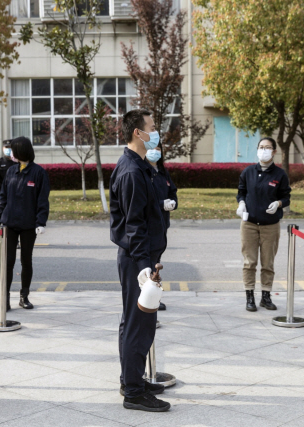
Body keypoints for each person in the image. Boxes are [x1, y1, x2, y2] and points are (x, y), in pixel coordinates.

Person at [110, 109, 170, 412]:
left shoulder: (141, 166)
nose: (155, 131)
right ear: (138, 132)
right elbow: (134, 225)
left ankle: (130, 378)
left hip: (142, 256)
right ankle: (133, 393)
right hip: (138, 260)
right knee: (139, 325)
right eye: (151, 126)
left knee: (136, 323)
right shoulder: (132, 171)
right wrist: (145, 266)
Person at [0, 137, 50, 311]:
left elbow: (42, 199)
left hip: (28, 224)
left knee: (26, 261)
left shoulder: (38, 173)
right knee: (7, 262)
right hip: (9, 223)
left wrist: (41, 221)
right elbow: (3, 197)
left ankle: (24, 296)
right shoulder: (11, 171)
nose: (10, 153)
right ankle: (5, 299)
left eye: (13, 150)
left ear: (21, 151)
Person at [236, 137, 291, 312]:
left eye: (268, 147)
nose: (264, 150)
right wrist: (241, 203)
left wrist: (279, 204)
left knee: (268, 263)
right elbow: (241, 192)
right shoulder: (248, 172)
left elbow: (286, 197)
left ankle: (266, 297)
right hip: (249, 224)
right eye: (261, 147)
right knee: (249, 262)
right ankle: (249, 297)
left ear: (274, 152)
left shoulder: (280, 174)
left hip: (270, 225)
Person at [146, 143, 177, 312]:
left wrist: (173, 203)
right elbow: (142, 201)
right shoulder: (143, 172)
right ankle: (148, 296)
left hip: (162, 223)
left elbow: (172, 191)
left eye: (158, 149)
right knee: (149, 261)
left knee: (156, 260)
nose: (155, 152)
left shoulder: (163, 172)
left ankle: (154, 295)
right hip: (148, 224)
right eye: (152, 148)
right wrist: (160, 204)